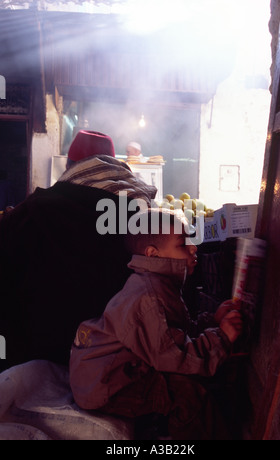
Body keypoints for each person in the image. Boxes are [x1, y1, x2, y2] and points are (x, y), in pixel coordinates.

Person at [69, 208, 243, 440]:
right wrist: (220, 338)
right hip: (108, 386)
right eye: (182, 244)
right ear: (154, 254)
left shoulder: (158, 283)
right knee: (187, 394)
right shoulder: (149, 296)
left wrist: (213, 321)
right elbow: (174, 356)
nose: (193, 248)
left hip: (113, 371)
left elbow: (175, 333)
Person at [0, 130, 157, 373]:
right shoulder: (142, 219)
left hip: (25, 363)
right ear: (114, 165)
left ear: (69, 165)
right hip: (111, 368)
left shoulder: (28, 211)